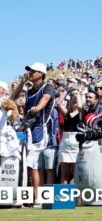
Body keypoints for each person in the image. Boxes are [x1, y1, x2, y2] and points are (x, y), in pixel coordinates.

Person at [11, 62, 56, 208]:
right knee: (31, 166)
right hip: (28, 130)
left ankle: (37, 199)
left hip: (40, 129)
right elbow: (12, 98)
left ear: (41, 73)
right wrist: (22, 82)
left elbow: (46, 99)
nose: (30, 73)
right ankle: (34, 199)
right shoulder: (29, 90)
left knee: (32, 165)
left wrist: (38, 107)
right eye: (29, 71)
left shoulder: (47, 86)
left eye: (33, 71)